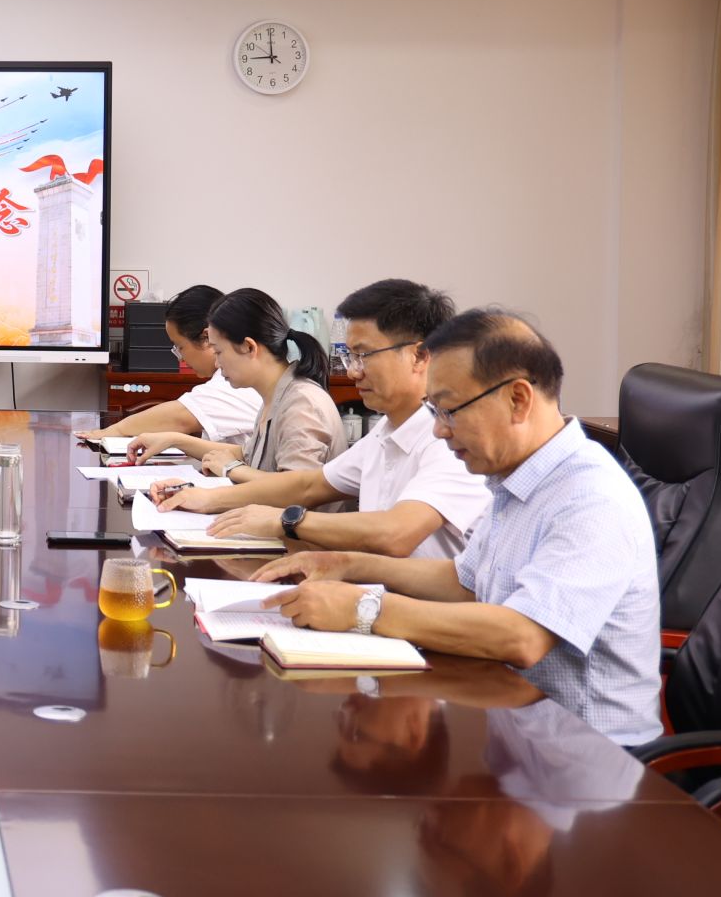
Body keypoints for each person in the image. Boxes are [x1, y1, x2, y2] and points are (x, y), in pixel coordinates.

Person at [255, 309, 662, 746]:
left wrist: (364, 609)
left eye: (449, 410)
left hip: (590, 756)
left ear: (518, 399)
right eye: (434, 410)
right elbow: (466, 581)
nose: (439, 430)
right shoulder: (515, 477)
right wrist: (346, 564)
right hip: (513, 725)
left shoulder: (590, 497)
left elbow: (523, 636)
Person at [156, 279, 491, 559]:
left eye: (363, 355)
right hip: (377, 595)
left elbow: (395, 533)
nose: (354, 371)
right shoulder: (385, 433)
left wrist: (285, 521)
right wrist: (203, 498)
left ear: (419, 355)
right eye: (350, 356)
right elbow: (308, 485)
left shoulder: (449, 440)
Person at [128, 287, 345, 482]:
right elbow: (246, 454)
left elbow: (294, 490)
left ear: (249, 347)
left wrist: (229, 471)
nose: (216, 362)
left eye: (219, 351)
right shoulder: (275, 396)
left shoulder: (302, 404)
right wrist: (174, 440)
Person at [100, 284, 260, 447]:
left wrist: (116, 430)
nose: (180, 359)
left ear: (207, 338)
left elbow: (180, 416)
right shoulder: (234, 375)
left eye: (180, 346)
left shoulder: (237, 383)